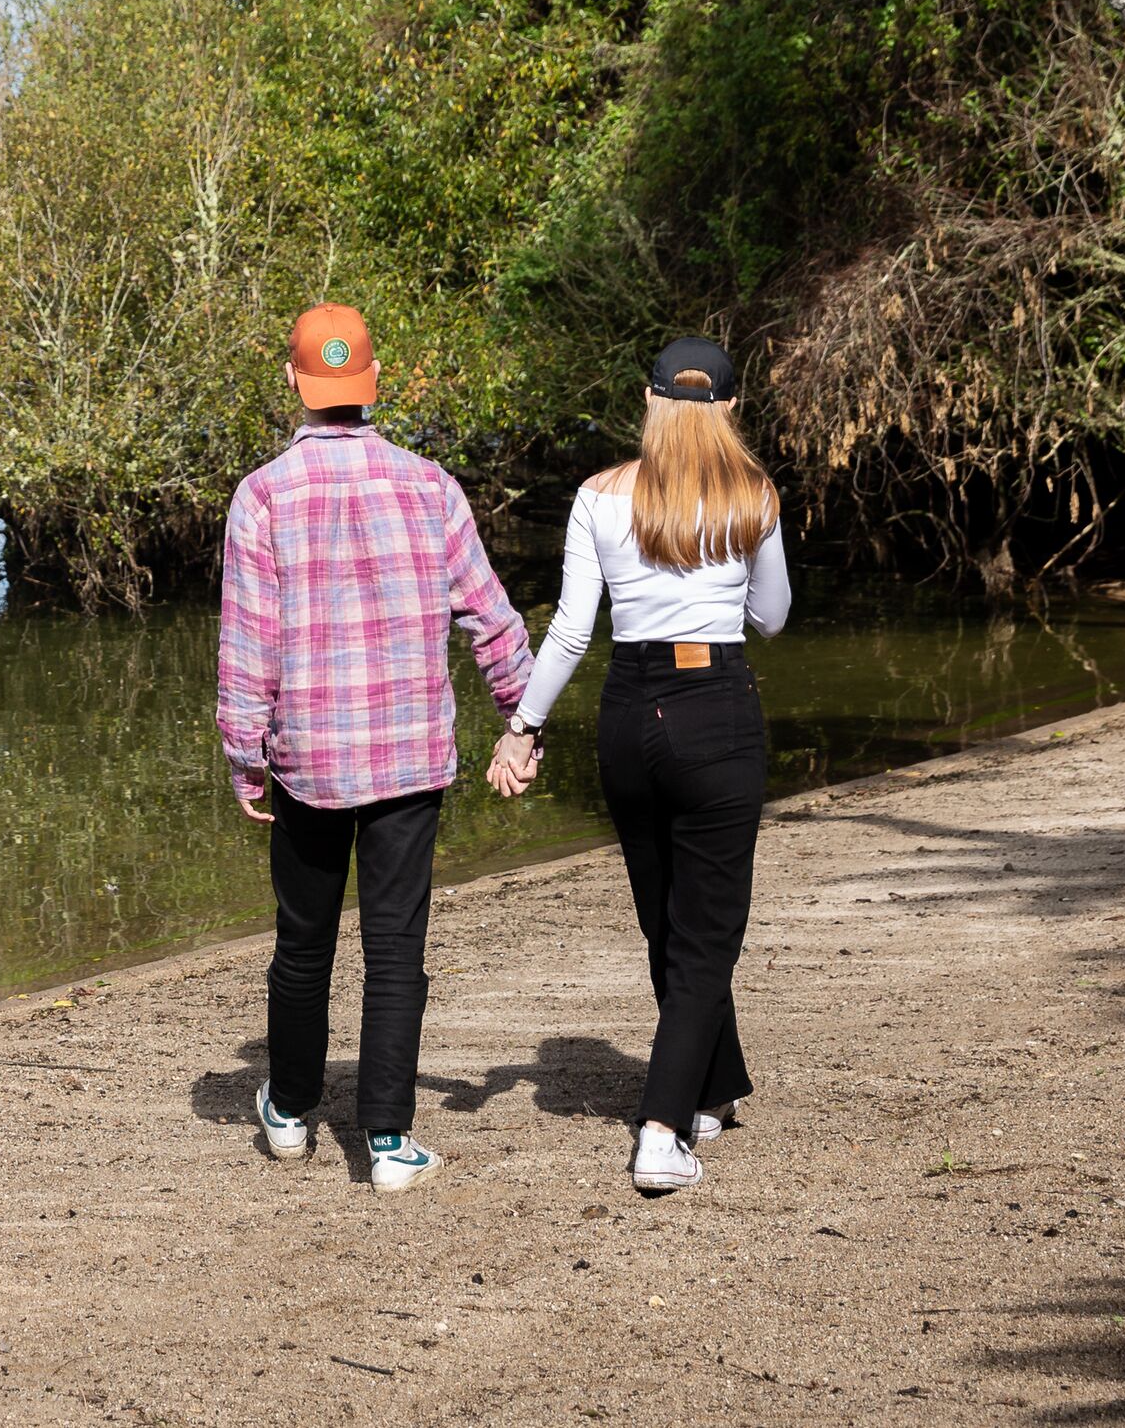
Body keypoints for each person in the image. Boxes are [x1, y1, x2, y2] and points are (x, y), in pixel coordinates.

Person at [218, 301, 534, 1193]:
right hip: (407, 757)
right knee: (396, 946)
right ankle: (388, 1142)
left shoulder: (264, 494)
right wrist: (522, 715)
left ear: (294, 381)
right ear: (372, 383)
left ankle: (288, 1109)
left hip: (309, 761)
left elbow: (250, 643)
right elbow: (491, 616)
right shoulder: (430, 484)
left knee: (302, 942)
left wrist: (245, 751)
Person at [485, 333, 789, 1196]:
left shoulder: (596, 495)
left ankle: (708, 1088)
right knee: (707, 933)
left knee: (667, 918)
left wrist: (523, 727)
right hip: (717, 709)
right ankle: (661, 1131)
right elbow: (770, 617)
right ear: (730, 409)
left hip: (629, 712)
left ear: (649, 399)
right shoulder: (753, 494)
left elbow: (574, 630)